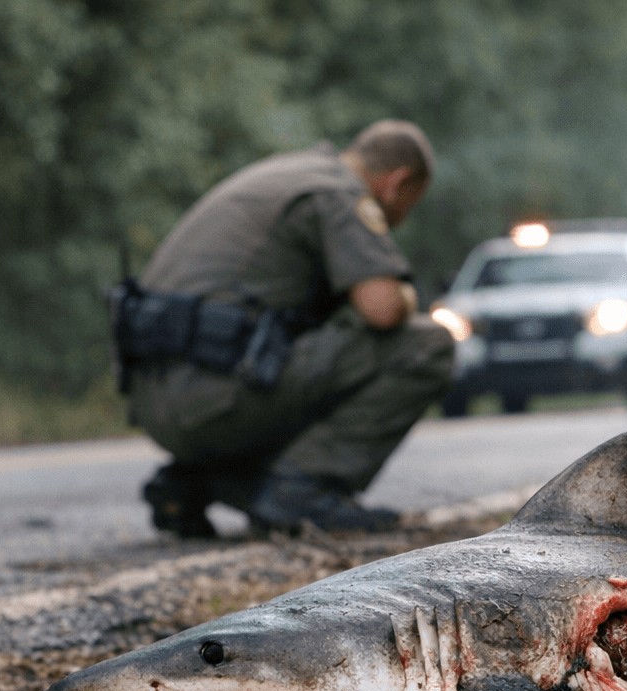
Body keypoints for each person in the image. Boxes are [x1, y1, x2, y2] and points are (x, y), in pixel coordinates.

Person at [113, 119, 454, 538]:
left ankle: (199, 481)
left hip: (158, 402)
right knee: (428, 344)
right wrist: (407, 296)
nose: (401, 217)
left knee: (303, 358)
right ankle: (301, 493)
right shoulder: (339, 193)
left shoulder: (288, 172)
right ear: (396, 184)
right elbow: (382, 308)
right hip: (213, 399)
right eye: (408, 205)